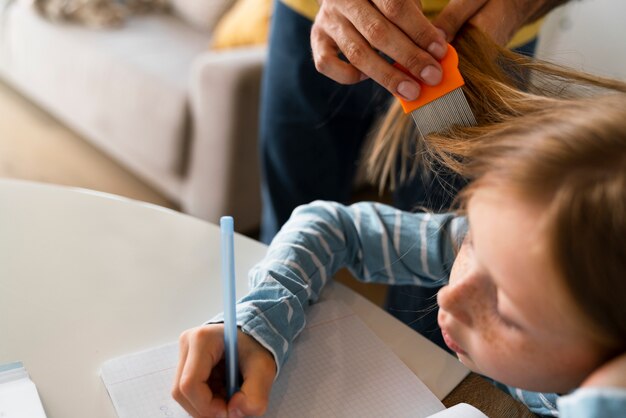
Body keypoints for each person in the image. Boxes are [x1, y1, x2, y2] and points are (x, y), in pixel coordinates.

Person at [173, 27, 626, 417]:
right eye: (473, 244)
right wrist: (259, 324)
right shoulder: (507, 249)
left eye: (506, 310)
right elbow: (333, 227)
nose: (450, 293)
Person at [259, 0, 568, 347]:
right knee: (283, 236)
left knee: (435, 304)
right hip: (309, 16)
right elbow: (310, 239)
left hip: (488, 41)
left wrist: (515, 8)